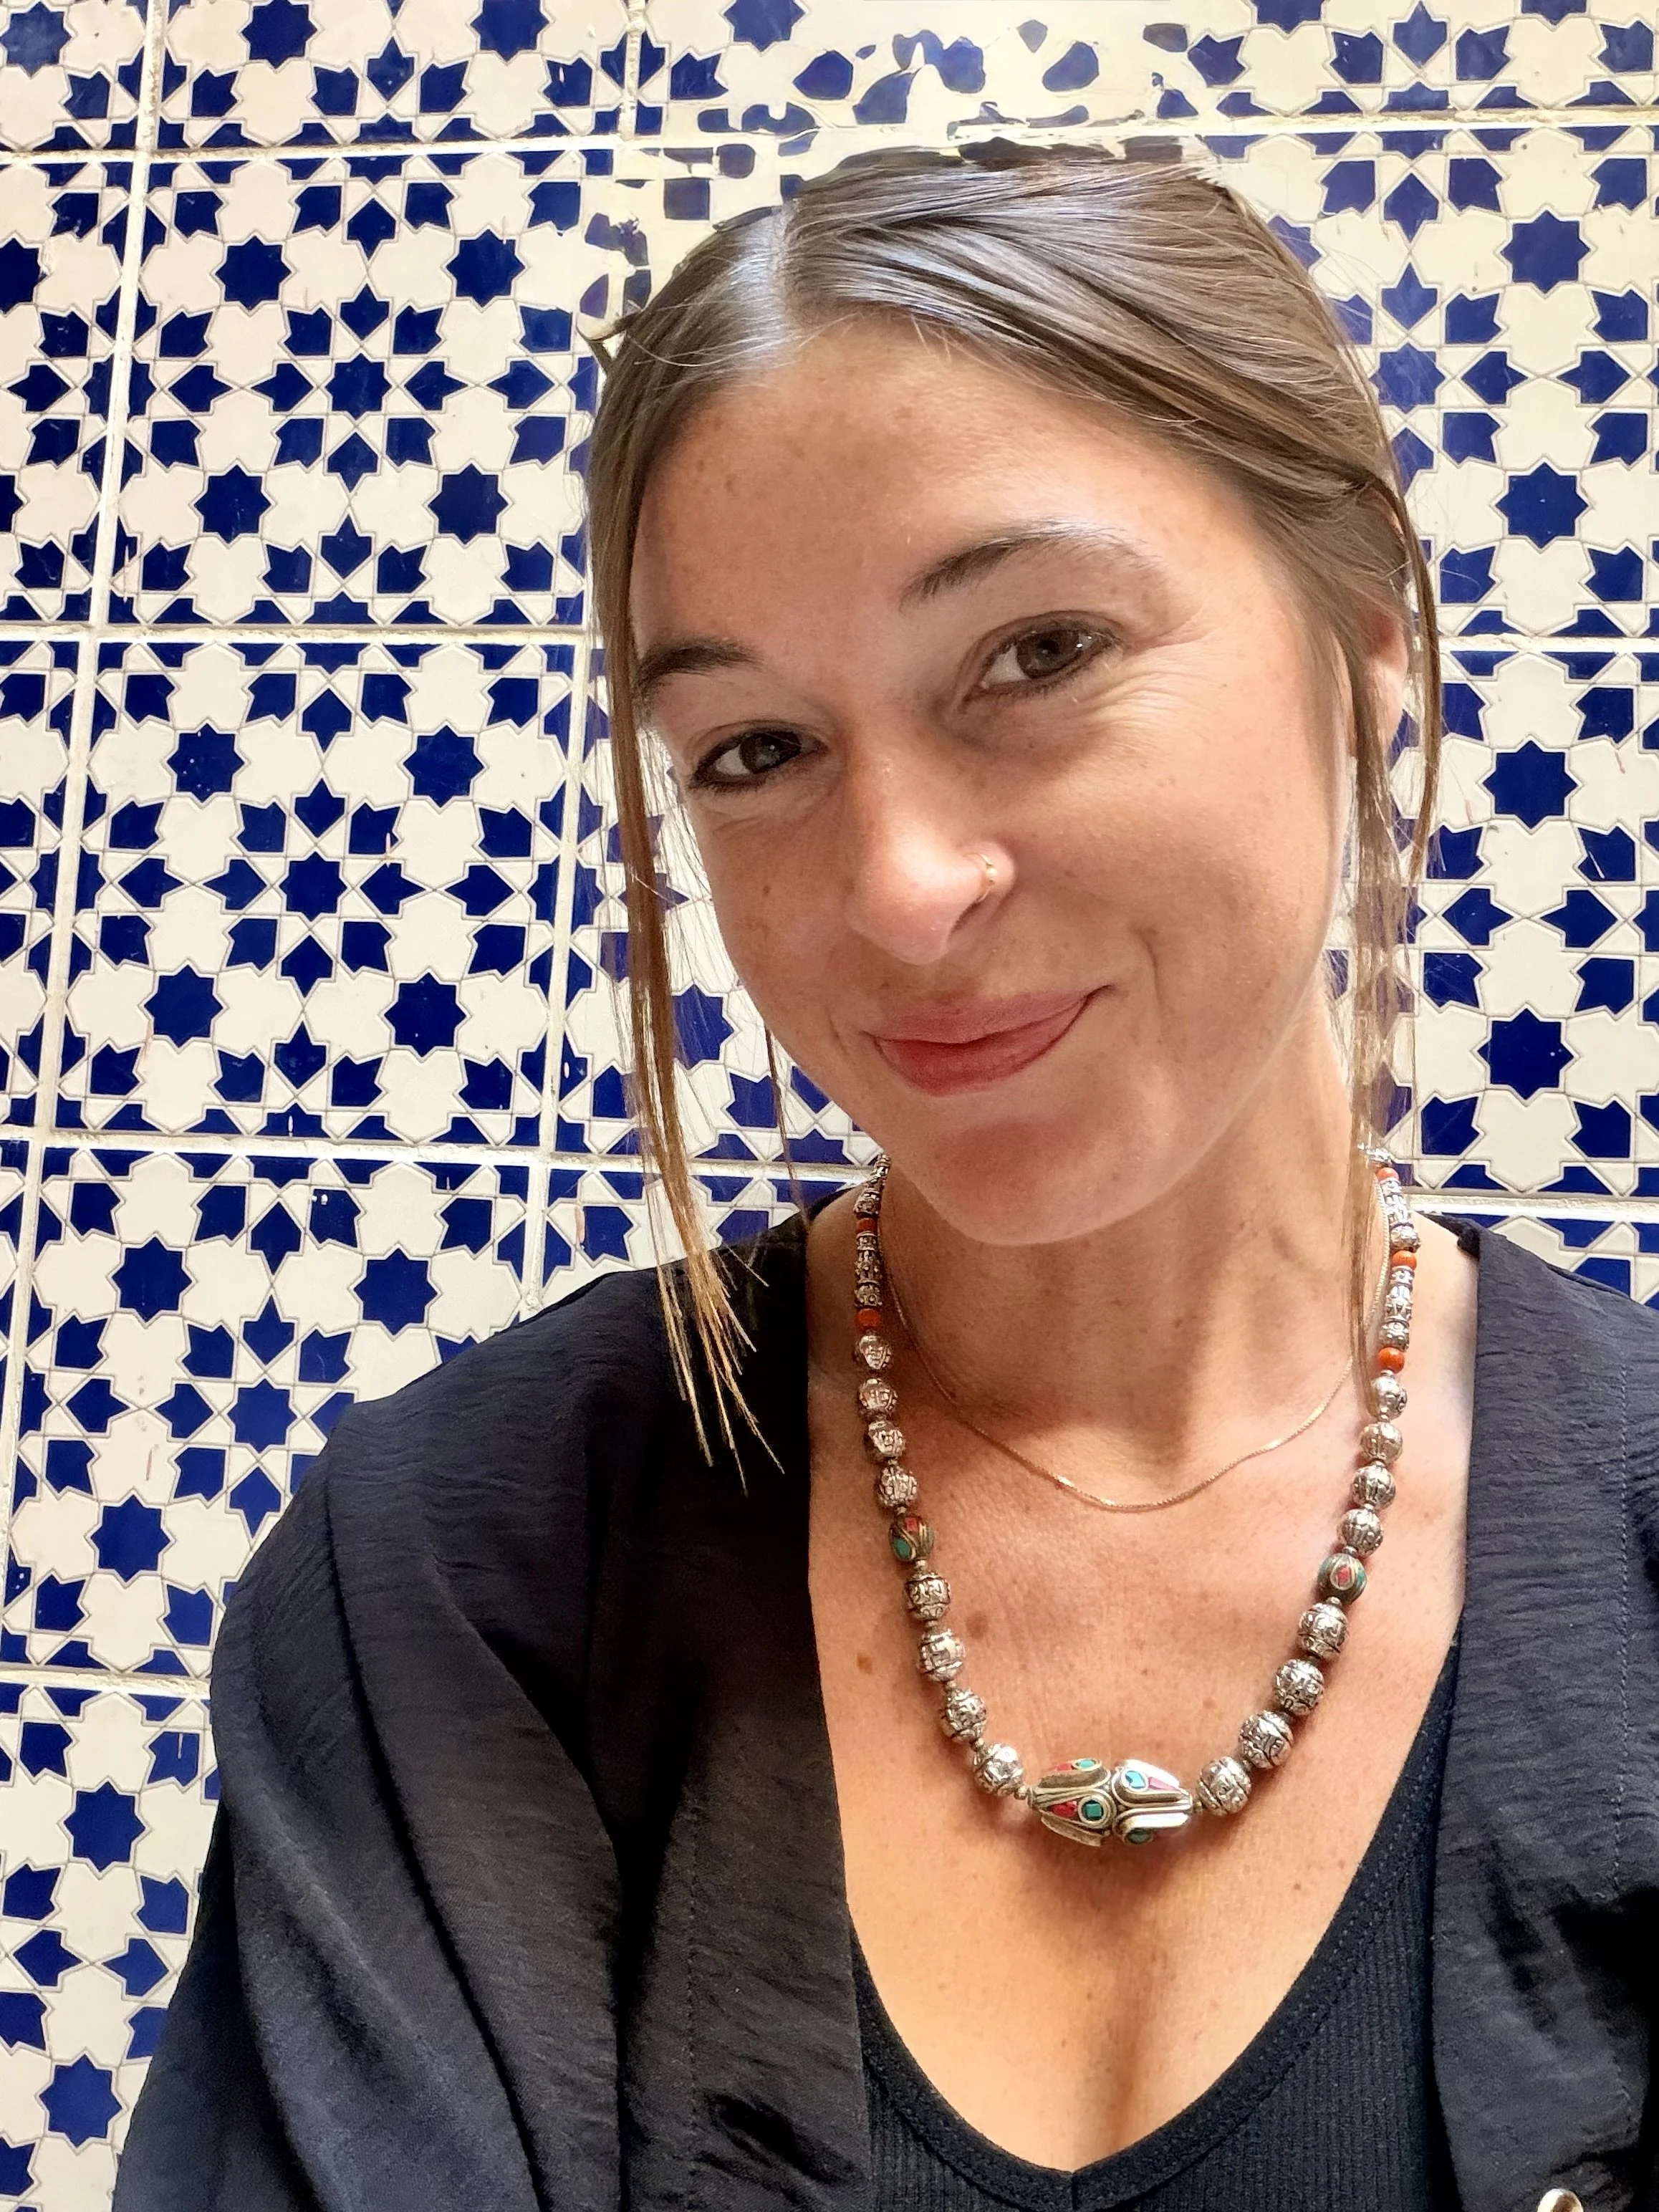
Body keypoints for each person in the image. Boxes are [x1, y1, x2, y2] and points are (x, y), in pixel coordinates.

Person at [115, 144, 1657, 2212]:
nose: (902, 890)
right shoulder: (455, 1581)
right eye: (753, 751)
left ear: (1365, 643)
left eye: (1034, 655)